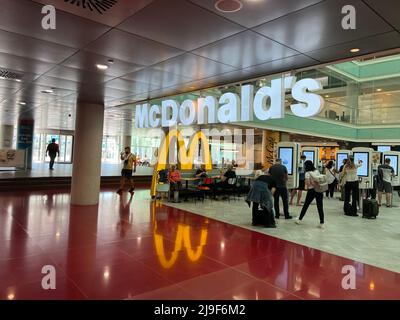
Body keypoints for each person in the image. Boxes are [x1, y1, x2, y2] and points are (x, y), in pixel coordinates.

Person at [295, 161, 325, 228]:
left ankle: (299, 219)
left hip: (311, 191)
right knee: (320, 206)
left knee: (306, 205)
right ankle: (322, 223)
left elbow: (307, 183)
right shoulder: (317, 171)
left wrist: (309, 185)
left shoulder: (307, 173)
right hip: (319, 190)